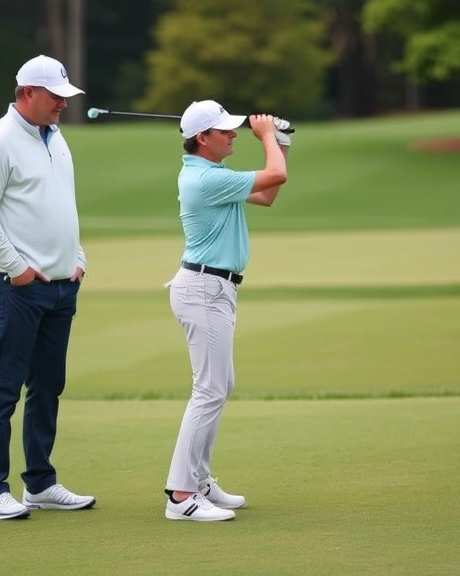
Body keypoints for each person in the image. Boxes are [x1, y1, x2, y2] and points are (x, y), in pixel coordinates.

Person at [0, 55, 94, 520]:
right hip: (14, 287)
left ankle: (39, 482)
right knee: (5, 387)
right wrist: (17, 267)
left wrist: (77, 259)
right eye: (56, 96)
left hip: (62, 286)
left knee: (48, 387)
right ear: (27, 94)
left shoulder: (57, 138)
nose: (63, 103)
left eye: (65, 96)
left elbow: (64, 205)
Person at [162, 100, 291, 522]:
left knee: (220, 385)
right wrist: (268, 137)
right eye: (225, 131)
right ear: (203, 138)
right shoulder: (202, 179)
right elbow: (276, 175)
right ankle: (181, 496)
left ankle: (198, 480)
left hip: (214, 288)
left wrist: (281, 140)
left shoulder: (214, 175)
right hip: (203, 288)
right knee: (210, 390)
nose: (234, 134)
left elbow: (268, 195)